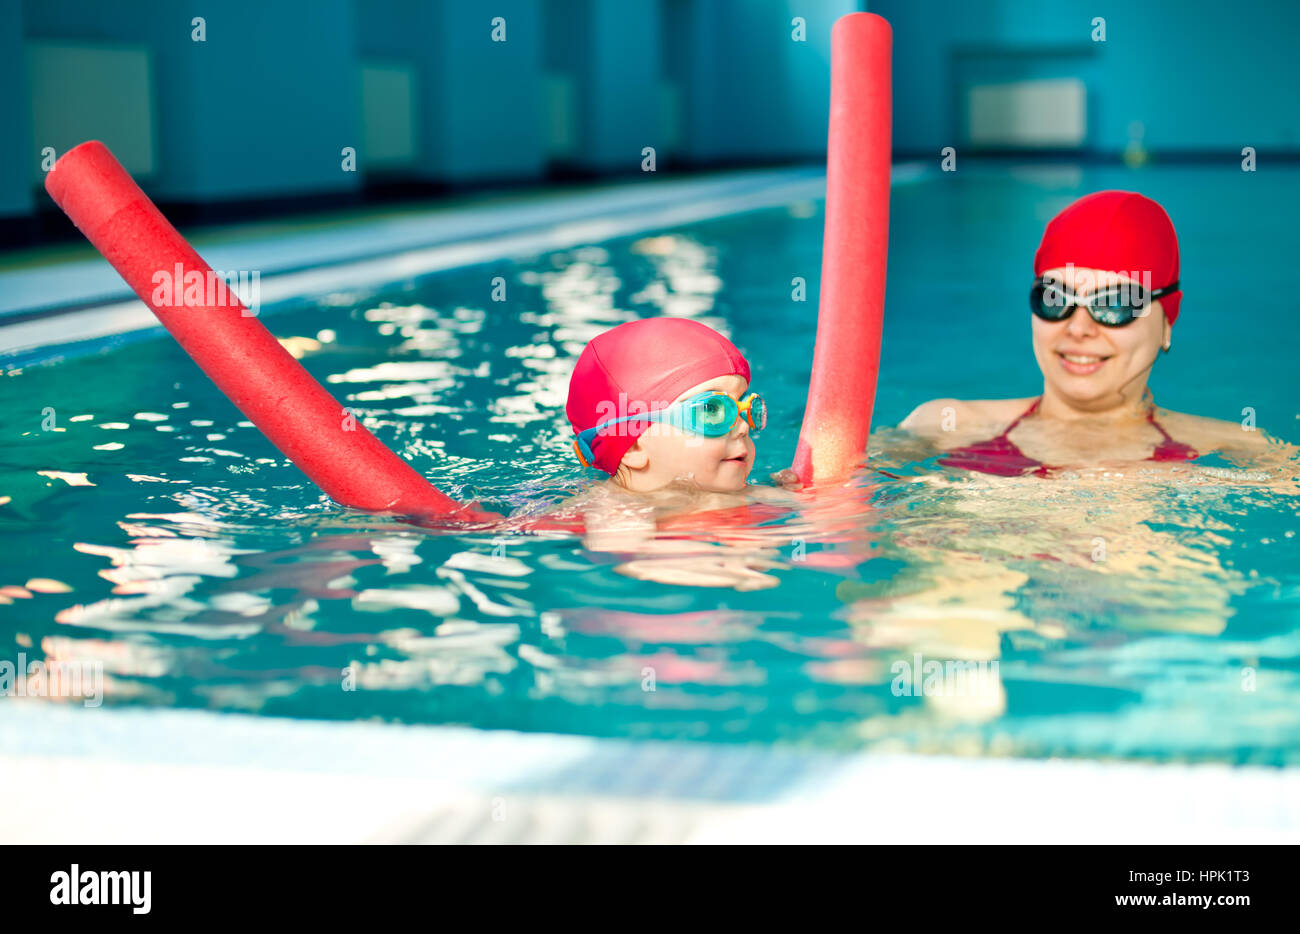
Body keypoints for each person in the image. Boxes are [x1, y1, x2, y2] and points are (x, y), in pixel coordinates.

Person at [899, 190, 1277, 477]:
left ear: (1166, 322)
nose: (1078, 328)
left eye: (1116, 304)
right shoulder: (942, 427)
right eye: (1054, 298)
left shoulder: (1243, 450)